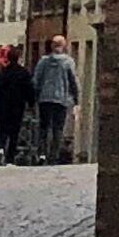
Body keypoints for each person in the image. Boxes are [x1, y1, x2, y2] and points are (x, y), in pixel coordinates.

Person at [30, 33, 79, 163]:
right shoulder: (68, 62)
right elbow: (73, 81)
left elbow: (36, 81)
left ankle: (42, 154)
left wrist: (35, 97)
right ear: (64, 46)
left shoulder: (43, 62)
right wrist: (76, 98)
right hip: (61, 99)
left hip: (44, 99)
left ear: (52, 46)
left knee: (44, 127)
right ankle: (53, 155)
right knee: (58, 128)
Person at [0, 46, 32, 165]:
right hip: (18, 106)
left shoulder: (2, 73)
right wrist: (31, 102)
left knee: (3, 130)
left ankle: (1, 148)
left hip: (4, 106)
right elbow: (29, 90)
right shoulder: (24, 73)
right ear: (18, 58)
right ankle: (10, 157)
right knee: (14, 132)